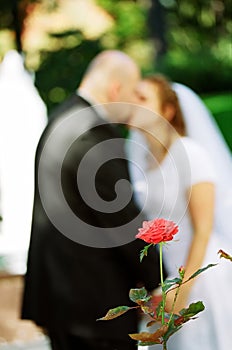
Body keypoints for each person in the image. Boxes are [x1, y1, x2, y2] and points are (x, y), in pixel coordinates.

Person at [21, 51, 163, 350]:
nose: (133, 102)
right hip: (94, 302)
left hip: (60, 298)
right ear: (115, 89)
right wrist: (156, 279)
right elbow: (120, 217)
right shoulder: (94, 133)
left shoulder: (60, 118)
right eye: (132, 92)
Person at [127, 75, 232, 350]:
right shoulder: (142, 162)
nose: (133, 104)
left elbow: (204, 229)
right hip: (166, 280)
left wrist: (183, 292)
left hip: (199, 277)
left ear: (167, 111)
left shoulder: (190, 154)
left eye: (143, 98)